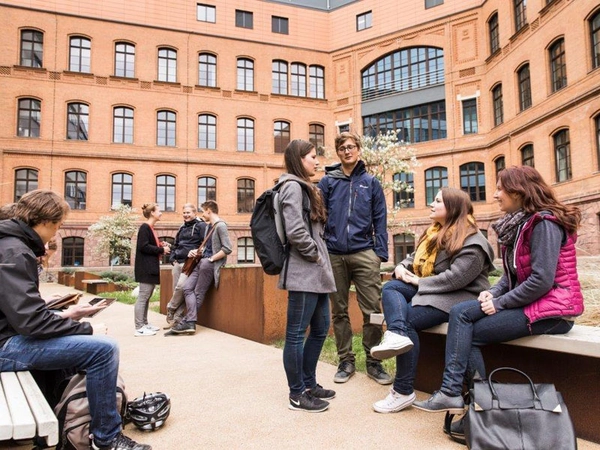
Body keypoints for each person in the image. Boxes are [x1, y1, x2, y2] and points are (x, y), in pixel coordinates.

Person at [414, 166, 584, 414]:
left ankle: (475, 404)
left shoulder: (545, 224)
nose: (494, 195)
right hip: (532, 303)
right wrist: (493, 293)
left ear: (519, 192)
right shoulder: (519, 225)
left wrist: (500, 303)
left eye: (500, 189)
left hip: (555, 312)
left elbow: (541, 281)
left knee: (467, 332)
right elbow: (510, 274)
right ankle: (467, 400)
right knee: (461, 312)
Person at [0, 189, 151, 450]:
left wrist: (67, 318)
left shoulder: (11, 245)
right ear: (46, 221)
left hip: (8, 336)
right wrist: (86, 327)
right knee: (103, 350)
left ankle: (75, 420)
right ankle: (107, 438)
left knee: (80, 343)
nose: (57, 231)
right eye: (58, 225)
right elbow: (31, 322)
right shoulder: (15, 251)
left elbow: (24, 314)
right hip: (6, 346)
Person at [370, 187, 495, 413]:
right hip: (434, 291)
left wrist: (419, 283)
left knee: (409, 320)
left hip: (459, 297)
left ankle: (402, 390)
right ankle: (395, 335)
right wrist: (401, 267)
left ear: (452, 208)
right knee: (391, 288)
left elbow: (456, 279)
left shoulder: (473, 241)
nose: (432, 203)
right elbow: (413, 258)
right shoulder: (435, 233)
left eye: (437, 201)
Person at [317, 131, 391, 385]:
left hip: (364, 253)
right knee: (339, 311)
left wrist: (379, 254)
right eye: (342, 148)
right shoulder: (327, 182)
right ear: (338, 152)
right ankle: (345, 360)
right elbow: (319, 216)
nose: (347, 151)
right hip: (335, 254)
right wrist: (323, 249)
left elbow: (381, 219)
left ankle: (374, 361)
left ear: (359, 149)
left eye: (351, 147)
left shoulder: (371, 183)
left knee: (372, 309)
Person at [277, 140, 337, 412]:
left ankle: (309, 383)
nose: (316, 161)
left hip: (316, 273)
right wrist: (315, 254)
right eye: (312, 157)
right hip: (304, 272)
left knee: (322, 328)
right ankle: (296, 393)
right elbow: (295, 231)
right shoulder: (291, 186)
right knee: (296, 334)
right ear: (299, 159)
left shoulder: (305, 187)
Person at [172, 200, 231, 335]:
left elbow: (227, 248)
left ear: (209, 211)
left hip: (209, 263)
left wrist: (211, 259)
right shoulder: (208, 226)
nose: (202, 214)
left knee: (198, 292)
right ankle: (189, 321)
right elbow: (206, 246)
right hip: (201, 261)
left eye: (203, 211)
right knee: (187, 288)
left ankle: (189, 321)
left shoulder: (221, 226)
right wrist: (197, 251)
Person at [163, 203, 205, 329]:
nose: (186, 215)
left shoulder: (201, 226)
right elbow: (176, 245)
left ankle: (171, 307)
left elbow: (204, 244)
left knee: (181, 287)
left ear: (194, 213)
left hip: (190, 263)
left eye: (188, 213)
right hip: (178, 262)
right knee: (176, 289)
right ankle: (176, 320)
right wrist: (172, 258)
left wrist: (197, 252)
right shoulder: (182, 227)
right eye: (184, 213)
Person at [133, 203, 170, 337]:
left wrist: (160, 244)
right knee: (143, 297)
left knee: (146, 297)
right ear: (152, 213)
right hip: (145, 268)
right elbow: (143, 247)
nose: (161, 213)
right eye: (159, 211)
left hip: (150, 267)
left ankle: (144, 323)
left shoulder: (150, 228)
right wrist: (161, 249)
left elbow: (149, 245)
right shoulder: (145, 227)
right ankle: (139, 327)